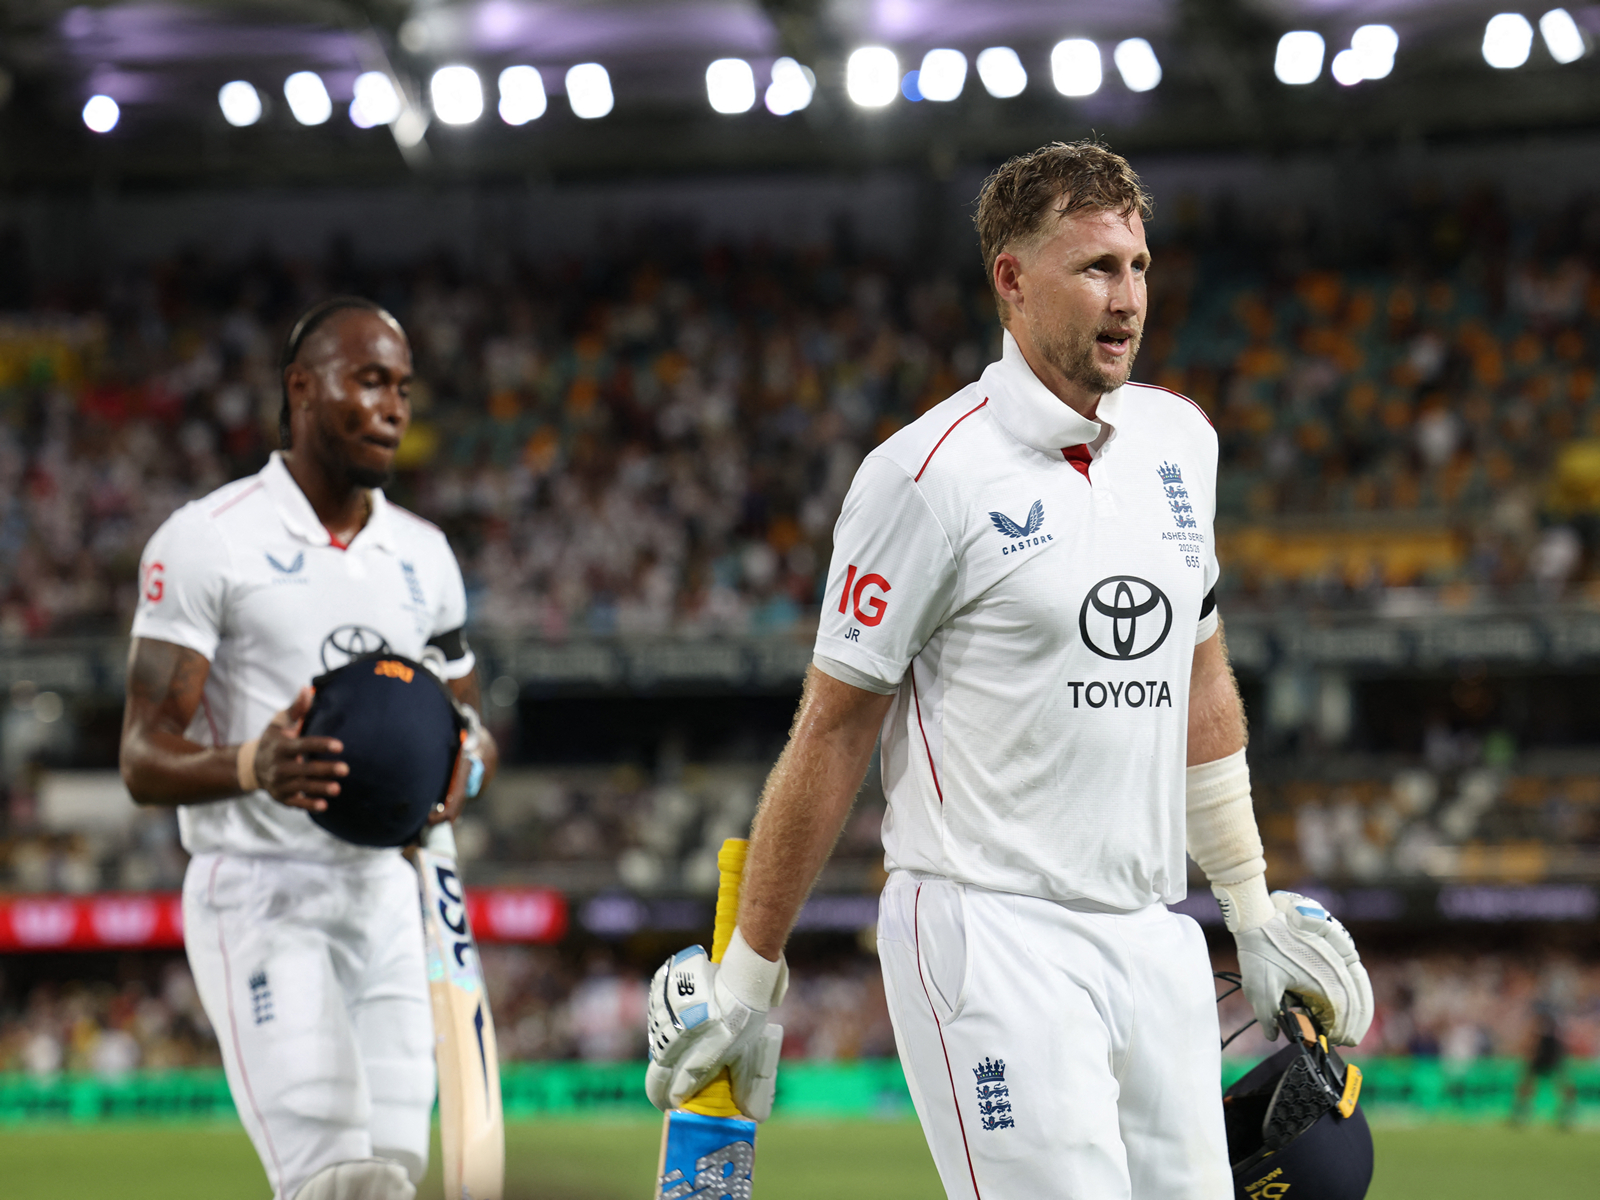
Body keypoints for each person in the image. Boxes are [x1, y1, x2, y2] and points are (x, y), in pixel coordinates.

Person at [644, 141, 1373, 1198]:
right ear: (1011, 280)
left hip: (1151, 933)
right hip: (989, 934)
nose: (1125, 298)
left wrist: (1251, 913)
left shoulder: (1181, 442)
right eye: (1093, 270)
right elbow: (834, 730)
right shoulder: (921, 477)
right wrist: (749, 981)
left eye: (1137, 265)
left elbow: (1200, 687)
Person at [119, 297, 498, 1200]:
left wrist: (467, 766)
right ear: (301, 388)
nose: (394, 406)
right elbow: (141, 757)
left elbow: (468, 727)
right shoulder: (210, 540)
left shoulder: (423, 555)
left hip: (393, 900)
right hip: (264, 895)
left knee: (395, 1176)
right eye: (369, 381)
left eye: (403, 387)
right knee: (340, 1181)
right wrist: (255, 764)